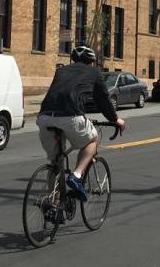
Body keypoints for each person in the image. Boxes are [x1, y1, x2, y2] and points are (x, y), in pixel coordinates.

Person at [37, 45, 126, 202]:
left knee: (56, 161)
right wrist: (115, 119)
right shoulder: (94, 73)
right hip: (71, 116)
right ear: (91, 61)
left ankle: (53, 203)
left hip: (44, 117)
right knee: (92, 139)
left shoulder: (61, 71)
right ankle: (76, 176)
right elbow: (103, 100)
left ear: (73, 60)